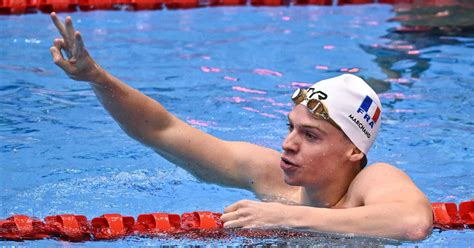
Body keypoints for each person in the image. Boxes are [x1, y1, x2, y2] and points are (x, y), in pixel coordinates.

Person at [49, 12, 433, 241]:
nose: (288, 144)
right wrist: (97, 78)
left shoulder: (372, 182)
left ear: (354, 150)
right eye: (291, 128)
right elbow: (162, 131)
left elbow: (413, 223)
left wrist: (283, 217)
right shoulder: (268, 174)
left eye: (310, 135)